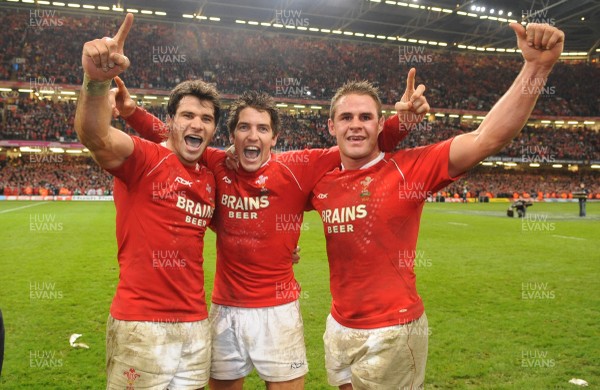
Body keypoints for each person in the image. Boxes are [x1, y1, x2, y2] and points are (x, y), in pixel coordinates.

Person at [114, 69, 427, 388]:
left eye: (263, 128)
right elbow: (174, 135)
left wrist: (404, 122)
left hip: (279, 312)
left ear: (274, 138)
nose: (253, 136)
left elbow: (359, 143)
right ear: (232, 137)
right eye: (244, 128)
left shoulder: (298, 167)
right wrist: (132, 113)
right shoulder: (217, 163)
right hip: (225, 309)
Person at [309, 22, 565, 389]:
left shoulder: (411, 167)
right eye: (346, 118)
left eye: (366, 117)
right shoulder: (321, 179)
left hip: (394, 330)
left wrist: (537, 68)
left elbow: (486, 138)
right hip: (339, 325)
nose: (356, 126)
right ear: (331, 126)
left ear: (381, 124)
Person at [74, 14, 220, 389]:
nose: (197, 124)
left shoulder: (208, 176)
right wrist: (95, 81)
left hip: (195, 326)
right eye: (187, 115)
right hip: (142, 325)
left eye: (206, 118)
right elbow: (96, 135)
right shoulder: (144, 158)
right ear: (170, 121)